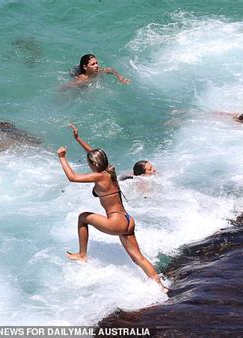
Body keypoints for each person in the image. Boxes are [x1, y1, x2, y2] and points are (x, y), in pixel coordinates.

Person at [58, 124, 168, 292]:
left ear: (94, 165)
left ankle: (82, 255)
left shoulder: (99, 176)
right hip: (128, 220)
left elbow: (72, 177)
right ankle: (161, 287)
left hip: (115, 221)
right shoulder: (110, 171)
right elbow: (94, 152)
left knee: (83, 217)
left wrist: (62, 158)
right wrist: (78, 139)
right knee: (138, 258)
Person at [64, 54, 130, 88]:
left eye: (96, 63)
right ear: (85, 67)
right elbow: (66, 86)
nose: (96, 66)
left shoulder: (97, 71)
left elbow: (110, 70)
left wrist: (120, 77)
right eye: (93, 64)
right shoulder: (82, 78)